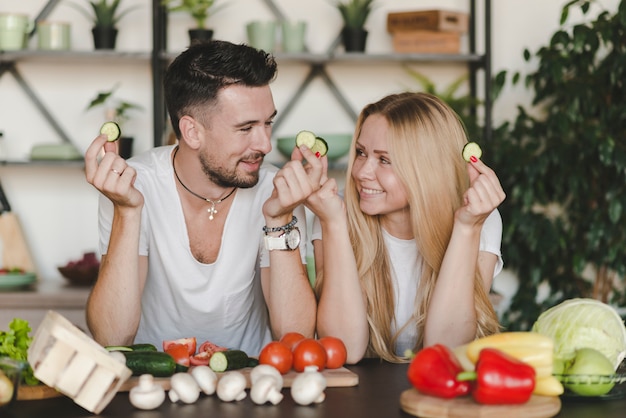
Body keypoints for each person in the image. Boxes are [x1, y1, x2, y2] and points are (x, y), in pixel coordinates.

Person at [83, 40, 321, 355]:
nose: (265, 144)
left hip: (253, 379)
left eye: (268, 123)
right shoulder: (131, 186)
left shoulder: (278, 190)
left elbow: (296, 336)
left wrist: (280, 219)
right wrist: (127, 212)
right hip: (156, 380)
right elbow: (112, 337)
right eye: (246, 128)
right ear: (192, 132)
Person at [306, 92, 505, 363]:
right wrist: (333, 224)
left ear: (427, 169)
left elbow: (447, 350)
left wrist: (467, 228)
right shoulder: (334, 211)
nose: (361, 172)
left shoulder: (479, 216)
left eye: (384, 160)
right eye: (361, 153)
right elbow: (346, 349)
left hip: (440, 391)